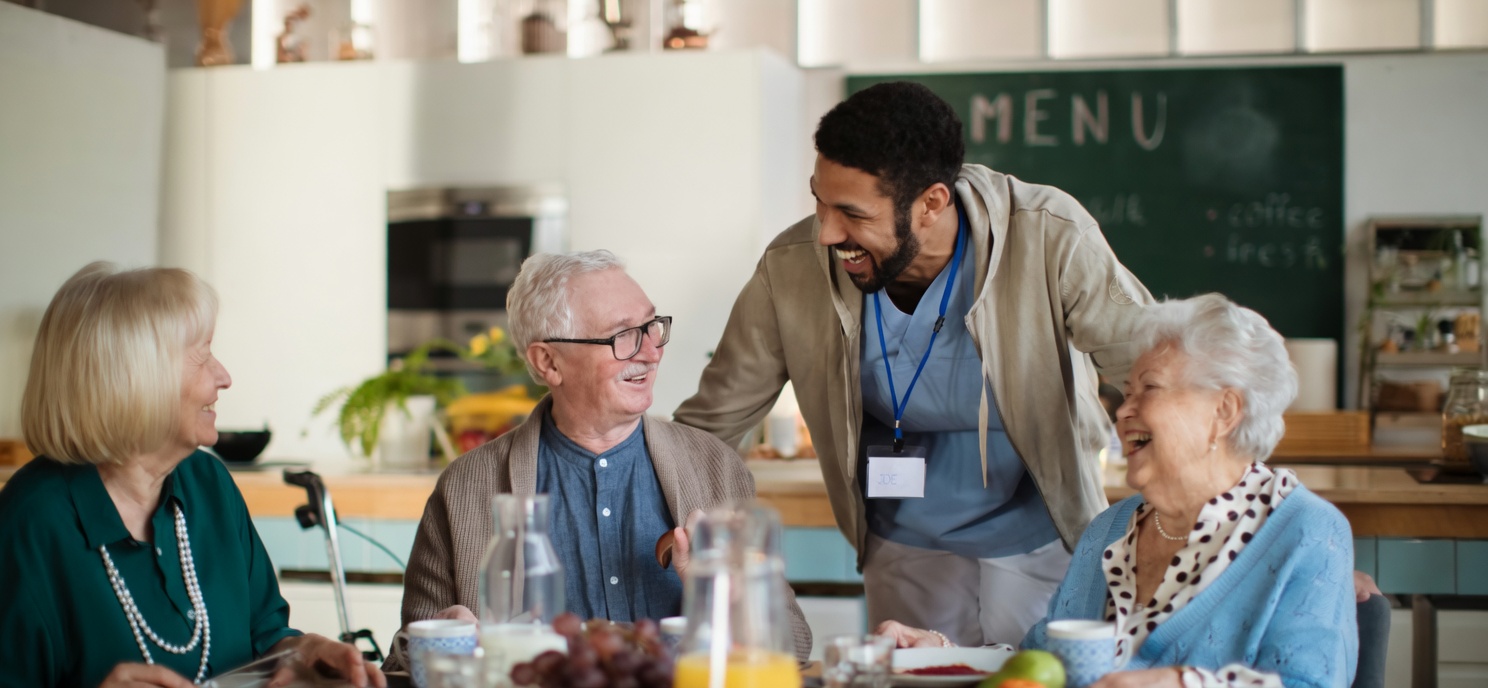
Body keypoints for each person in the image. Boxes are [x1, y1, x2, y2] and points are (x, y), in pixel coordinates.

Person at [673, 81, 1154, 646]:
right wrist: (670, 514)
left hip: (1042, 538)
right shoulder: (792, 268)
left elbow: (1152, 370)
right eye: (819, 202)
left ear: (931, 203)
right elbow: (711, 425)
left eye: (852, 213)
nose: (827, 233)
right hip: (903, 544)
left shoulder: (1048, 235)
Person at [880, 294, 1359, 688]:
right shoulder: (1111, 528)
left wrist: (1179, 683)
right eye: (1125, 393)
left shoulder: (1306, 533)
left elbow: (1309, 683)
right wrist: (941, 656)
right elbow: (1045, 665)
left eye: (1147, 389)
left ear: (1224, 411)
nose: (1123, 412)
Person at [392, 250, 811, 669]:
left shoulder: (716, 467)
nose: (651, 352)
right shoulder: (466, 486)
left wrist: (724, 594)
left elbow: (793, 645)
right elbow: (402, 664)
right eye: (623, 335)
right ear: (549, 362)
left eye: (651, 326)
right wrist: (442, 642)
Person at [0, 262, 383, 688]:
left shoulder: (209, 484)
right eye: (203, 355)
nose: (224, 377)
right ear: (136, 377)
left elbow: (265, 637)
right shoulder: (29, 524)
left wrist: (303, 651)